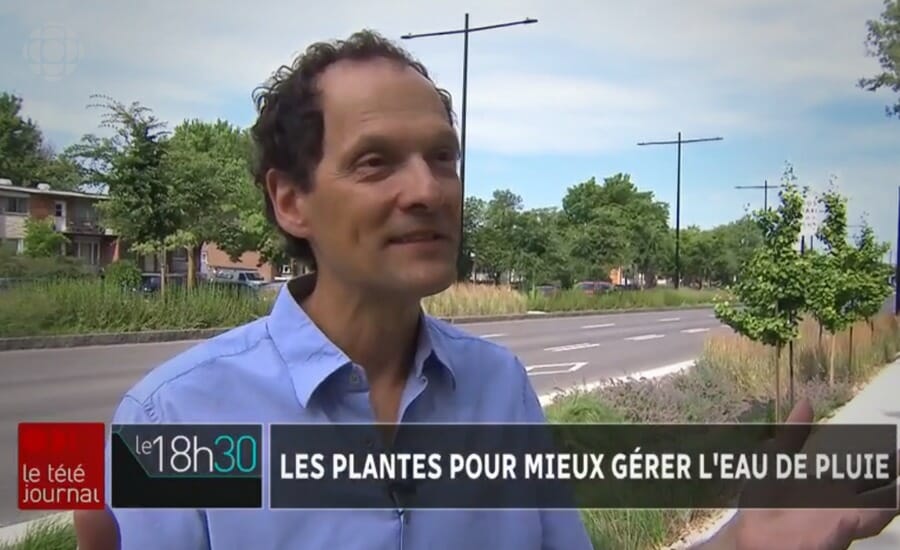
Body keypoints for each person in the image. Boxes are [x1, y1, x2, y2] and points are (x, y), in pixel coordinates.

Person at [75, 30, 898, 549]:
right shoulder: (173, 419)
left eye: (443, 157)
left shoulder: (498, 388)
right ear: (289, 199)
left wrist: (745, 543)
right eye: (376, 162)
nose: (427, 189)